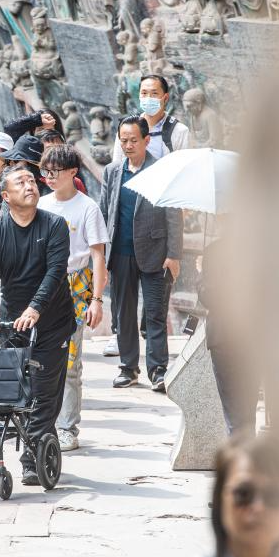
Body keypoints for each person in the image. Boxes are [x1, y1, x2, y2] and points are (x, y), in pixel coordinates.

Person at [0, 164, 74, 485]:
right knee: (19, 388)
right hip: (12, 322)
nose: (30, 185)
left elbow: (55, 272)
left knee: (45, 389)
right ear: (5, 196)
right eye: (20, 182)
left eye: (32, 180)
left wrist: (35, 308)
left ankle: (32, 456)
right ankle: (40, 443)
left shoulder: (54, 225)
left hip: (53, 321)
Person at [100, 117, 182, 392]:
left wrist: (174, 254)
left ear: (147, 140)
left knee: (155, 314)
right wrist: (101, 253)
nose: (128, 145)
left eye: (133, 140)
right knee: (123, 314)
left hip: (155, 252)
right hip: (120, 252)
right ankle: (128, 368)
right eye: (123, 140)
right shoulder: (112, 171)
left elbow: (174, 214)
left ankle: (158, 370)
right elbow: (104, 211)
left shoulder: (161, 170)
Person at [37, 146, 109, 452]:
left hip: (75, 287)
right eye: (45, 172)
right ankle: (42, 422)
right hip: (43, 286)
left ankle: (67, 427)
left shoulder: (88, 207)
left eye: (55, 171)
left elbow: (98, 256)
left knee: (70, 362)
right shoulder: (41, 204)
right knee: (39, 360)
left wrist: (97, 299)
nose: (49, 177)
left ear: (72, 172)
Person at [111, 74, 191, 164]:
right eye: (144, 93)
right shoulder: (126, 128)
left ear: (165, 98)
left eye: (154, 93)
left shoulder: (179, 131)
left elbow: (183, 167)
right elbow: (116, 166)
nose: (148, 98)